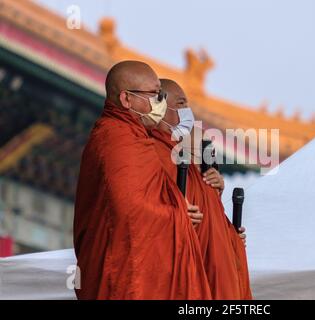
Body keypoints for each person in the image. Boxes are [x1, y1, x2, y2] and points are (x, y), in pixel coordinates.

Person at [73, 61, 211, 300]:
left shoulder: (138, 139)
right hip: (120, 275)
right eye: (155, 94)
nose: (160, 102)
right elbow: (127, 207)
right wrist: (178, 213)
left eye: (162, 94)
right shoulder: (114, 136)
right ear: (127, 100)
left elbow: (155, 195)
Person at [148, 78, 252, 299]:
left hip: (215, 270)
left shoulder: (200, 172)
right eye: (182, 104)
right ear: (161, 106)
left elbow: (206, 217)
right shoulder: (152, 151)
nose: (188, 112)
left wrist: (230, 234)